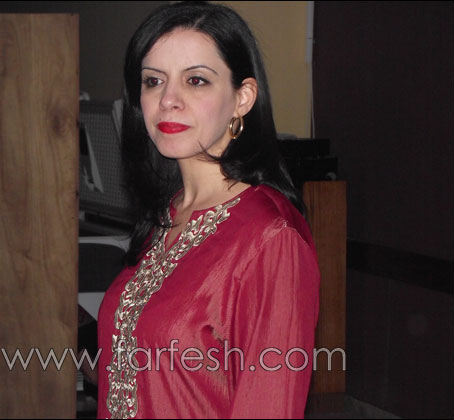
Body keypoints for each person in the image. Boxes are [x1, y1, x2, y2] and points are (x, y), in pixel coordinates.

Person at [93, 2, 320, 418]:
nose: (168, 100)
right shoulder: (167, 213)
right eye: (153, 81)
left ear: (242, 98)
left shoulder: (270, 238)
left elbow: (269, 405)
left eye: (195, 80)